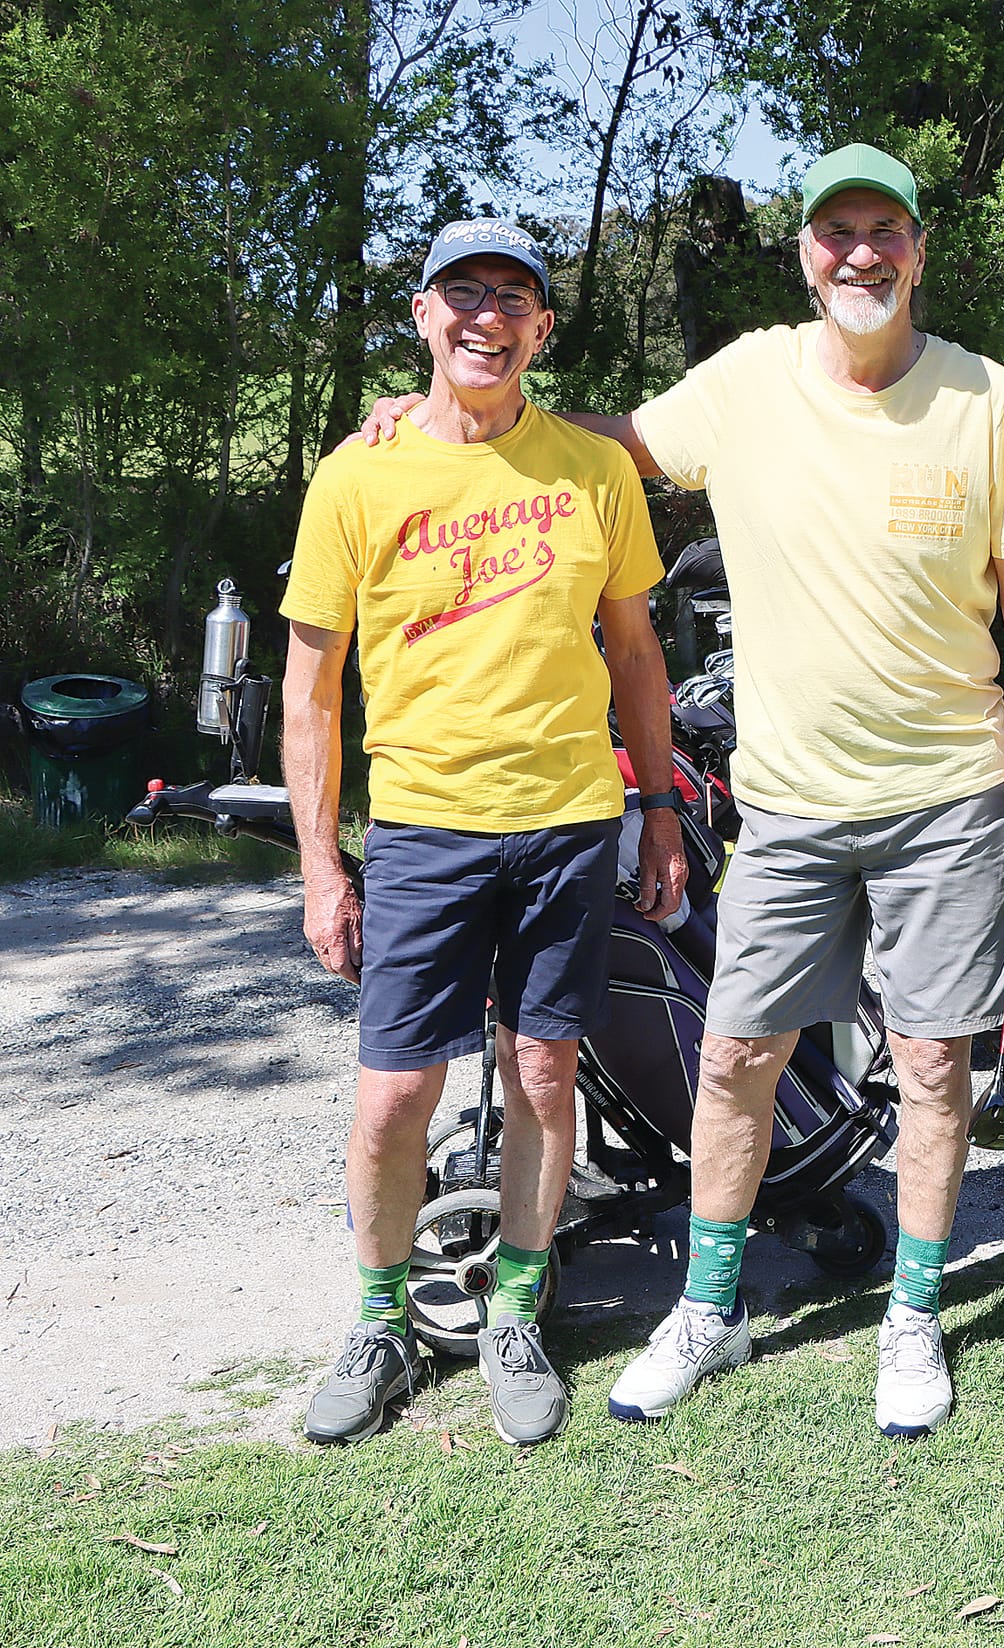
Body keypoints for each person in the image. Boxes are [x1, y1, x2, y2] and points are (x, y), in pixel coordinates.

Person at [353, 147, 1004, 1436]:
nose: (860, 254)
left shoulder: (986, 396)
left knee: (932, 1061)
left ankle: (911, 1317)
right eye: (835, 232)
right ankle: (712, 1306)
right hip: (789, 801)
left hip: (952, 791)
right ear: (804, 255)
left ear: (917, 251)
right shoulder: (745, 377)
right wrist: (433, 420)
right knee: (735, 1053)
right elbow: (594, 451)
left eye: (883, 231)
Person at [284, 218, 686, 1449]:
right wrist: (319, 862)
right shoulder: (359, 474)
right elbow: (311, 684)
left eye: (514, 298)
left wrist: (659, 805)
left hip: (567, 820)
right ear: (421, 316)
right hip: (421, 829)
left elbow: (633, 653)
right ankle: (377, 1321)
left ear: (541, 330)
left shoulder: (591, 470)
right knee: (395, 1091)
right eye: (463, 294)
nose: (487, 317)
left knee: (543, 1073)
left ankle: (517, 1310)